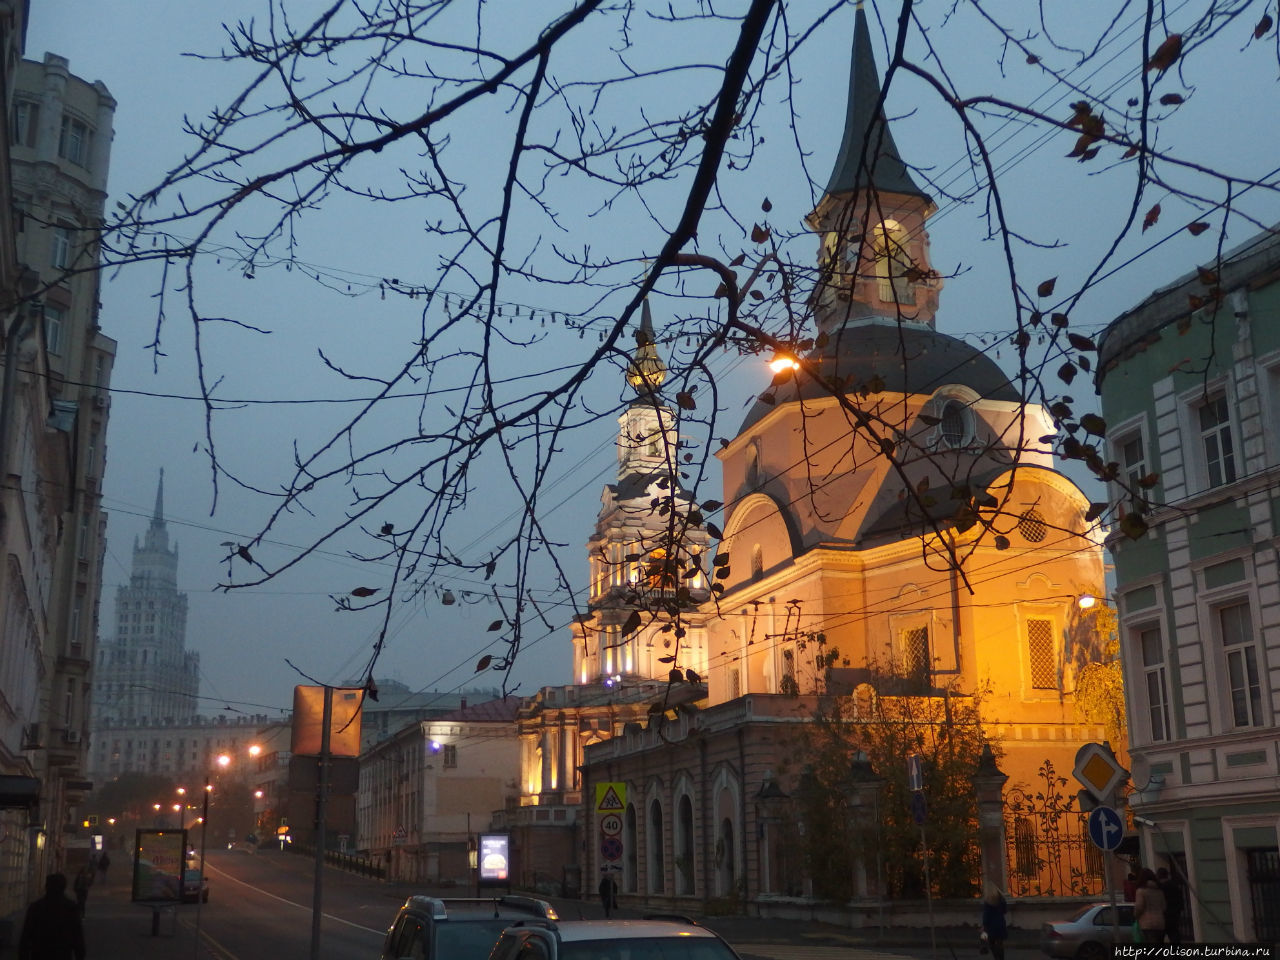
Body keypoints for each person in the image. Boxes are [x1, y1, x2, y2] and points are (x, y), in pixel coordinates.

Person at [18, 873, 85, 960]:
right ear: (64, 887)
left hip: (39, 954)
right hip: (62, 954)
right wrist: (79, 954)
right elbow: (77, 936)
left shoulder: (36, 907)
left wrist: (24, 955)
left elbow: (26, 936)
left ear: (46, 887)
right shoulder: (71, 908)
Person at [1133, 867, 1167, 944]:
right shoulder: (1159, 891)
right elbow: (1164, 907)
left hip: (1147, 924)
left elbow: (1139, 906)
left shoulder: (1141, 891)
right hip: (1160, 923)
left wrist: (1135, 915)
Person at [980, 882, 1008, 960]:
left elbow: (986, 916)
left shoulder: (988, 902)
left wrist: (984, 925)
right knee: (1000, 943)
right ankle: (1001, 958)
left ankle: (996, 957)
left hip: (991, 926)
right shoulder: (1001, 899)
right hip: (1001, 924)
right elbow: (1005, 911)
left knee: (991, 943)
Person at [1157, 867, 1185, 945]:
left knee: (1160, 938)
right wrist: (1179, 910)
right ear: (1167, 875)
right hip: (1174, 915)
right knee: (1174, 936)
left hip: (1163, 915)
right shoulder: (1175, 886)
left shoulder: (1159, 888)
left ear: (1158, 876)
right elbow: (1180, 900)